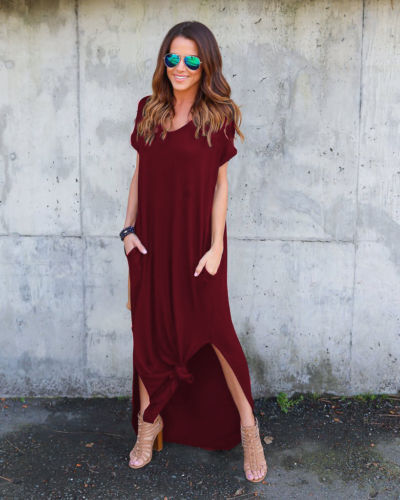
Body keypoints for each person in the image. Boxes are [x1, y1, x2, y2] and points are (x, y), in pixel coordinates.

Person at [120, 21, 267, 483]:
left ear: (206, 65)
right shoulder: (147, 109)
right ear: (163, 61)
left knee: (217, 335)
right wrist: (127, 231)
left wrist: (217, 245)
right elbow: (139, 174)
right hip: (150, 242)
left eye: (190, 59)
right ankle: (149, 424)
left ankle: (249, 428)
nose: (180, 67)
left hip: (199, 246)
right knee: (148, 333)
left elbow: (221, 187)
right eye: (172, 57)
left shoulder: (217, 117)